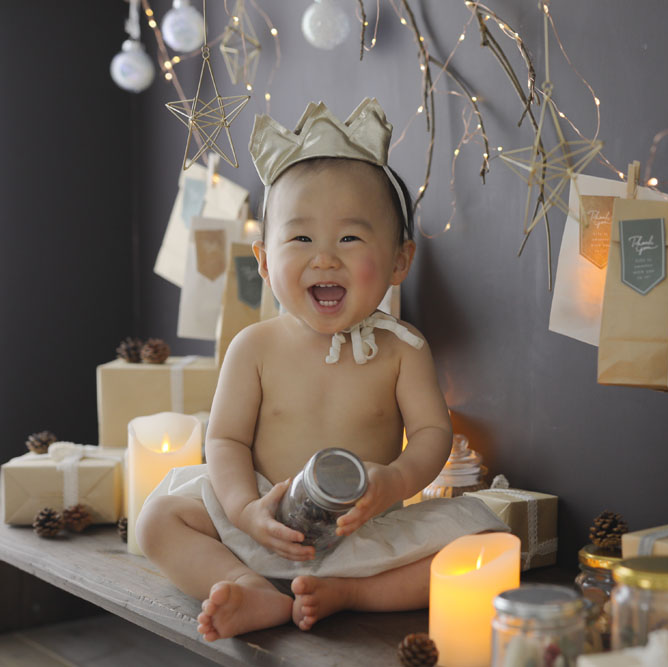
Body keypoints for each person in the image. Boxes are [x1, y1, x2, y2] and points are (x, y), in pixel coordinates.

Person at [135, 99, 505, 641]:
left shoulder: (402, 350)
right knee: (157, 520)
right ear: (265, 262)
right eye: (301, 238)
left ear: (400, 260)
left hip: (362, 531)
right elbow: (226, 440)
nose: (325, 258)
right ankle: (248, 587)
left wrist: (396, 481)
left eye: (350, 238)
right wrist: (245, 510)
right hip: (264, 522)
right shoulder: (254, 346)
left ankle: (350, 594)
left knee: (489, 544)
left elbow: (432, 434)